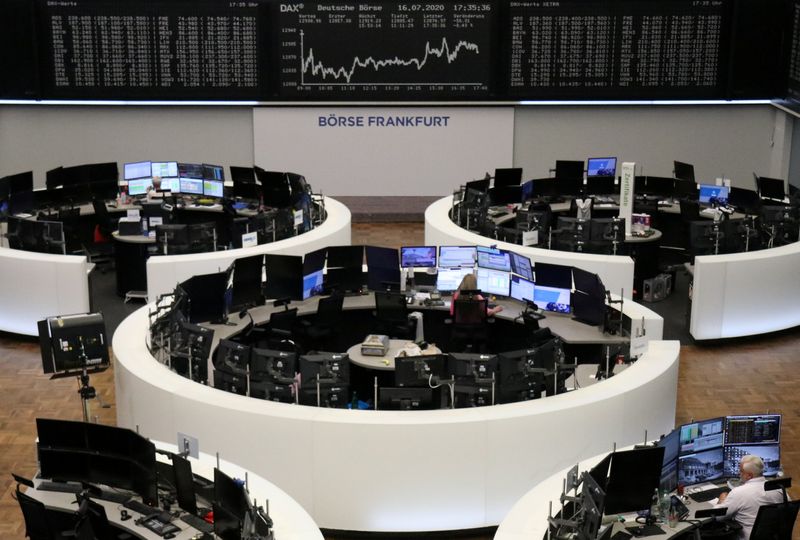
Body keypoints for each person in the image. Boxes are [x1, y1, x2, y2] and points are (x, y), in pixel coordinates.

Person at [716, 455, 785, 540]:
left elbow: (718, 517)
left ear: (749, 475)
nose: (738, 473)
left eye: (741, 471)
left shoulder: (739, 492)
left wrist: (722, 500)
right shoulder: (779, 489)